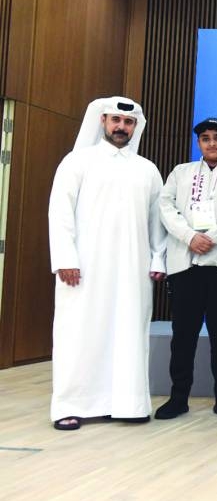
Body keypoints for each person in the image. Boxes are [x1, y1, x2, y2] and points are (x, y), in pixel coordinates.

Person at [48, 97, 167, 430]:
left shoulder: (147, 170)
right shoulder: (77, 161)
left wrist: (159, 258)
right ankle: (70, 406)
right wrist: (65, 258)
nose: (121, 127)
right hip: (83, 268)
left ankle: (128, 403)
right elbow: (59, 212)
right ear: (103, 121)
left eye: (128, 122)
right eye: (116, 120)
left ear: (135, 127)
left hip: (133, 268)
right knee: (78, 331)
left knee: (129, 332)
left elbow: (157, 221)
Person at [155, 118, 217, 421]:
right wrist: (190, 237)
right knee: (183, 335)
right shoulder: (180, 173)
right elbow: (166, 208)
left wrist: (210, 238)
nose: (212, 143)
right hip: (186, 264)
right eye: (206, 138)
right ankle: (178, 398)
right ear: (198, 143)